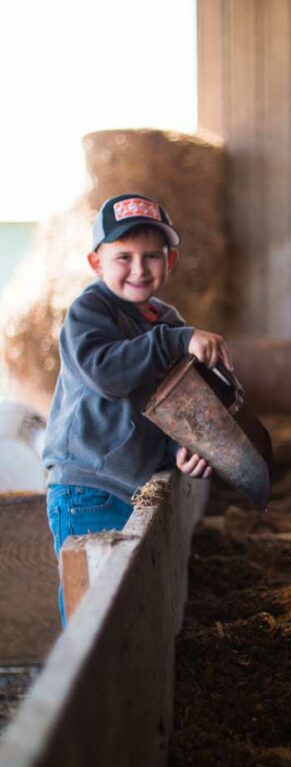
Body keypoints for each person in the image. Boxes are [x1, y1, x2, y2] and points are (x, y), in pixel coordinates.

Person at [42, 193, 232, 626]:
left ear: (171, 260)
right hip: (87, 486)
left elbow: (171, 402)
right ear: (97, 264)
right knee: (92, 607)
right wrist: (177, 339)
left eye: (152, 256)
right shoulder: (89, 312)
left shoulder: (166, 320)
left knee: (127, 601)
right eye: (123, 257)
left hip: (138, 487)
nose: (139, 269)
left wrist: (180, 450)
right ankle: (85, 669)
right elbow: (108, 374)